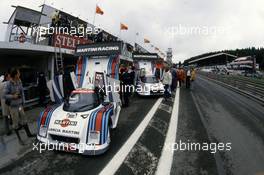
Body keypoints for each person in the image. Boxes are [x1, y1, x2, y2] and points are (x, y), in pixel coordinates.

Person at [4, 68, 35, 145]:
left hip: (20, 105)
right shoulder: (8, 83)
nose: (19, 74)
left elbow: (22, 92)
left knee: (24, 119)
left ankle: (29, 134)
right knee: (15, 123)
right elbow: (4, 95)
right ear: (15, 75)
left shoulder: (19, 81)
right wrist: (13, 96)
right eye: (18, 73)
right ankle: (19, 139)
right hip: (13, 107)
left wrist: (23, 102)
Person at [0, 71, 12, 136]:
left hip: (3, 102)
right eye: (9, 77)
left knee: (5, 117)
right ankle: (15, 126)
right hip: (9, 101)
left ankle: (7, 131)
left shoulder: (0, 84)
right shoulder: (8, 84)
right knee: (12, 114)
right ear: (7, 77)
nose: (10, 78)